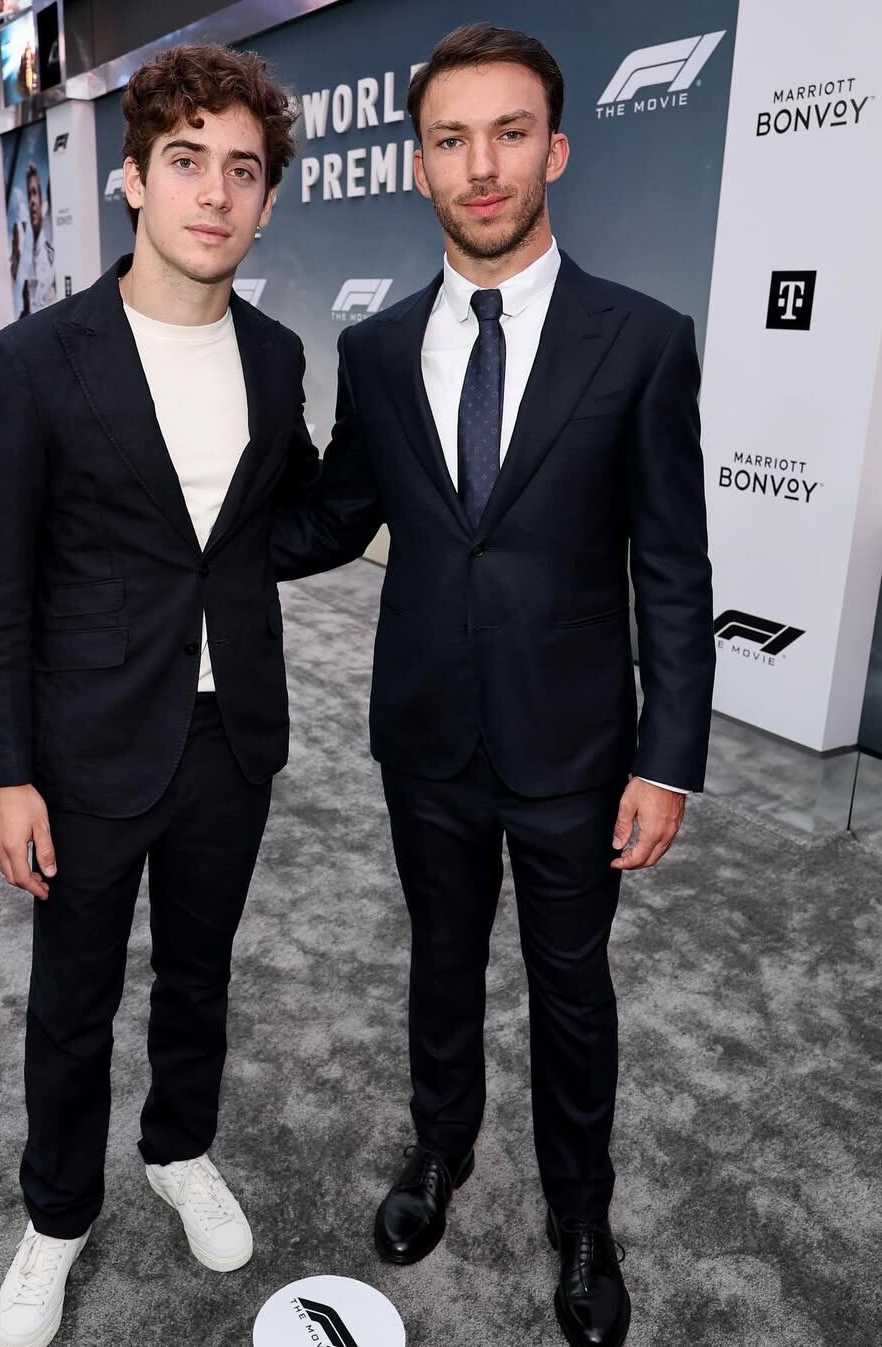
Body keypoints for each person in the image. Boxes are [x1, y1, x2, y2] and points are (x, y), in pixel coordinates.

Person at [272, 24, 715, 1347]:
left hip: (578, 743)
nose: (481, 166)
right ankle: (440, 1146)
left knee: (573, 988)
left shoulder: (642, 341)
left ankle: (582, 1213)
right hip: (425, 730)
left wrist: (668, 755)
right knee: (441, 958)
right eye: (452, 140)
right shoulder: (376, 348)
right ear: (418, 165)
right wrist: (190, 521)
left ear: (555, 151)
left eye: (509, 134)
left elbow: (674, 568)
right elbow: (335, 516)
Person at [0, 43, 316, 1347]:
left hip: (233, 736)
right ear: (132, 179)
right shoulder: (41, 358)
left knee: (199, 975)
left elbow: (281, 521)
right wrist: (7, 772)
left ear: (266, 197)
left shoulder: (276, 355)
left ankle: (179, 1147)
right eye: (186, 161)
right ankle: (57, 1215)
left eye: (243, 169)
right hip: (87, 744)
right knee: (73, 1001)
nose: (214, 192)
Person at [9, 162, 54, 315]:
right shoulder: (26, 243)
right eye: (29, 195)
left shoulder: (49, 234)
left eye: (35, 193)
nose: (32, 201)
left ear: (41, 199)